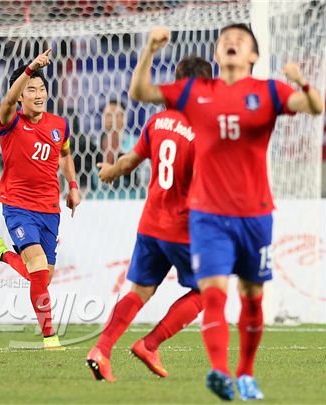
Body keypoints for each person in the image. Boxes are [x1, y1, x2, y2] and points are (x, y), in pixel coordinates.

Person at [129, 24, 323, 400]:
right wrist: (150, 50)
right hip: (207, 215)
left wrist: (303, 83)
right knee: (213, 293)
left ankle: (245, 373)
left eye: (241, 40)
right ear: (217, 55)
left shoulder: (269, 91)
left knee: (252, 297)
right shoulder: (195, 91)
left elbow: (314, 108)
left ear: (253, 56)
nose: (232, 43)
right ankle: (219, 371)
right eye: (225, 41)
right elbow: (140, 92)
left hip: (255, 214)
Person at [86, 56, 213, 382]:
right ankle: (150, 344)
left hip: (150, 224)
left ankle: (101, 348)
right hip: (182, 228)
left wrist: (109, 171)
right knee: (207, 291)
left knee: (139, 291)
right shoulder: (203, 130)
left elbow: (128, 163)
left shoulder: (159, 121)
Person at [0, 49, 81, 349]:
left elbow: (65, 155)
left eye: (41, 89)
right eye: (30, 90)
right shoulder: (9, 120)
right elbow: (7, 101)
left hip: (50, 208)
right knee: (37, 268)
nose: (37, 94)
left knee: (42, 278)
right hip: (18, 206)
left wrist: (73, 186)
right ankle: (50, 336)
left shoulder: (59, 125)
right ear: (21, 96)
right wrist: (30, 68)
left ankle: (1, 253)